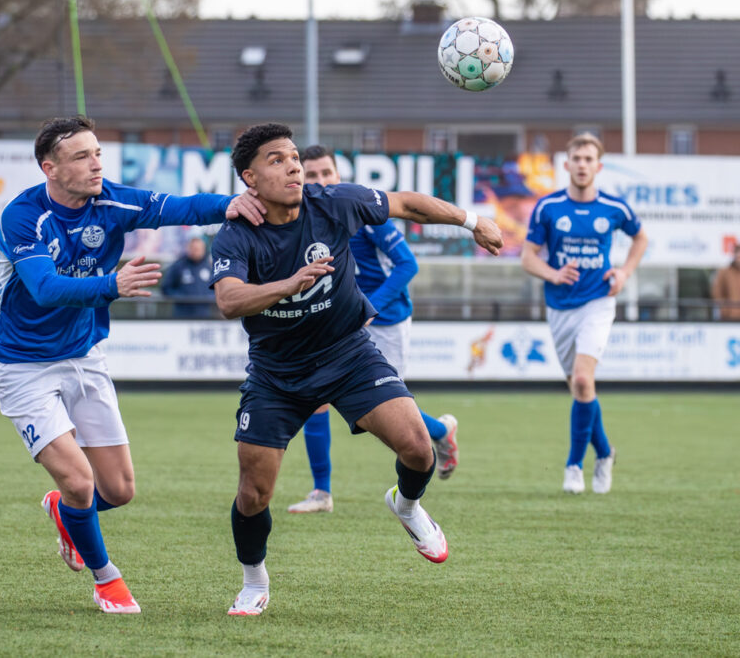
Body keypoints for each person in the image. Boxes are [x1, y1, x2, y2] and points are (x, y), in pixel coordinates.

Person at [210, 123, 502, 616]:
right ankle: (254, 580)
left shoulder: (334, 202)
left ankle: (406, 506)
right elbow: (228, 299)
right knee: (254, 493)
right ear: (250, 177)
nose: (294, 166)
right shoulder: (237, 234)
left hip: (348, 355)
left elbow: (407, 203)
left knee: (416, 446)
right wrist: (289, 284)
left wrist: (473, 221)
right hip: (276, 374)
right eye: (277, 159)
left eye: (294, 157)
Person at [0, 115, 264, 615]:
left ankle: (66, 515)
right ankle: (106, 580)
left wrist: (230, 204)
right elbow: (46, 290)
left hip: (85, 357)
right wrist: (113, 285)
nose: (96, 164)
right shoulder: (23, 217)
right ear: (49, 168)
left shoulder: (110, 200)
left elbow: (177, 208)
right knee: (78, 481)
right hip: (22, 364)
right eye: (81, 156)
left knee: (119, 490)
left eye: (97, 153)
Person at [287, 146, 460, 515]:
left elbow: (406, 265)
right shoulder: (302, 217)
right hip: (338, 326)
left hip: (387, 320)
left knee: (388, 410)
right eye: (311, 174)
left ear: (338, 175)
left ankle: (442, 434)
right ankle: (321, 492)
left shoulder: (364, 212)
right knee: (316, 398)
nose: (318, 181)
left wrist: (371, 307)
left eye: (325, 174)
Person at [521, 133, 648, 495]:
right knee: (581, 389)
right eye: (576, 158)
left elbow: (641, 239)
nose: (582, 165)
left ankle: (574, 466)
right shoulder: (548, 208)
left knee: (581, 380)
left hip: (598, 301)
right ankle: (605, 452)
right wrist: (553, 273)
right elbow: (528, 257)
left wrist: (623, 272)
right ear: (567, 165)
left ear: (599, 166)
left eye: (589, 159)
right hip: (560, 307)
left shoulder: (614, 207)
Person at [161, 231, 215, 318]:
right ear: (188, 248)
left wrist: (210, 297)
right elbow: (166, 288)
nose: (195, 251)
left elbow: (218, 289)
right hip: (182, 316)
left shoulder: (210, 266)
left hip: (206, 316)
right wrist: (182, 298)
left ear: (204, 249)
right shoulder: (178, 266)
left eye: (198, 249)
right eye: (193, 248)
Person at [711, 244, 740, 320]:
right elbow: (717, 293)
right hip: (729, 318)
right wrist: (725, 309)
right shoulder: (724, 272)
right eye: (737, 254)